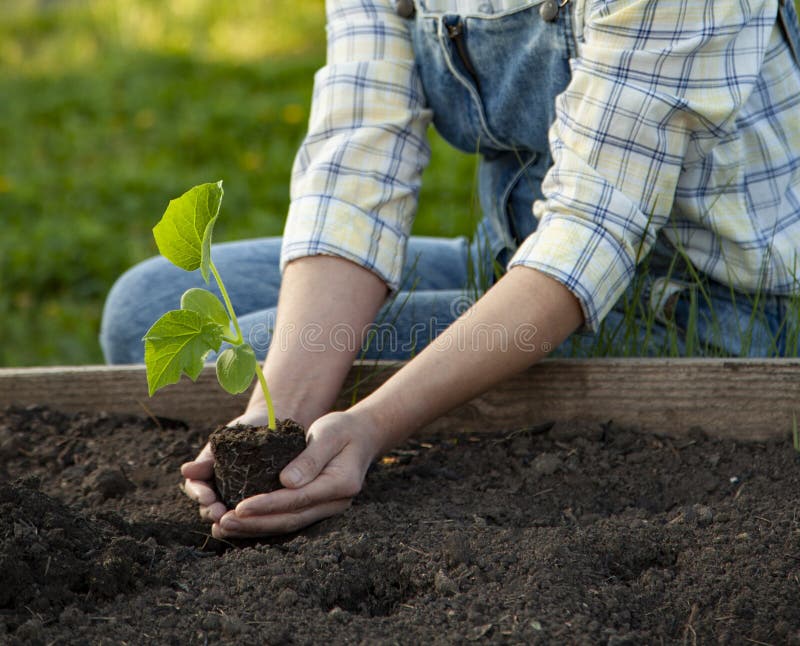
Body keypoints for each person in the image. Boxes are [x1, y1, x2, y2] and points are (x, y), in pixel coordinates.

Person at [100, 0, 800, 538]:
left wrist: (367, 427)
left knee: (246, 346)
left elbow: (594, 232)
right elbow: (358, 166)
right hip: (519, 261)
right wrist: (270, 421)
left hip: (709, 307)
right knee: (150, 309)